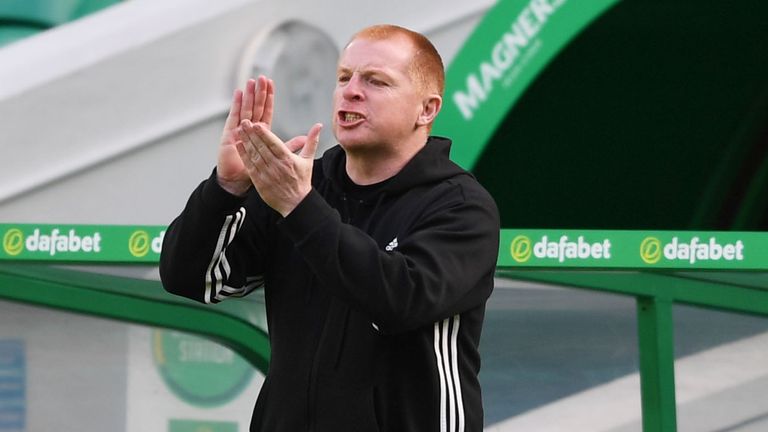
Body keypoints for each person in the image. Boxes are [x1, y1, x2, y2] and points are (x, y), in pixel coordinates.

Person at [160, 24, 500, 432]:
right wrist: (225, 188)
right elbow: (191, 278)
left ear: (426, 110)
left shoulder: (460, 206)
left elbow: (400, 300)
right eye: (344, 77)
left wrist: (300, 207)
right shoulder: (303, 185)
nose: (351, 91)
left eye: (376, 81)